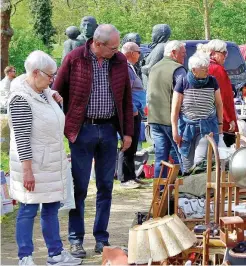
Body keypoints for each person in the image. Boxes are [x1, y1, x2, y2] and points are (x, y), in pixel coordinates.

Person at [53, 24, 133, 258]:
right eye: (113, 47)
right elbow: (56, 93)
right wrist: (64, 128)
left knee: (106, 186)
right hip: (82, 130)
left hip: (109, 130)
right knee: (79, 187)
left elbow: (127, 98)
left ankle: (102, 238)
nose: (117, 51)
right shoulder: (74, 58)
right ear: (97, 44)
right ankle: (76, 240)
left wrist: (127, 132)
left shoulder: (118, 61)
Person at [8, 51, 81, 266]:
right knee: (28, 209)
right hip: (32, 164)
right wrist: (27, 171)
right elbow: (21, 139)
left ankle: (55, 253)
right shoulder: (20, 99)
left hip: (50, 163)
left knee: (50, 209)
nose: (53, 79)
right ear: (36, 72)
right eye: (50, 75)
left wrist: (55, 100)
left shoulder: (44, 92)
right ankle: (25, 257)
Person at [171, 52, 223, 172]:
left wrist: (220, 124)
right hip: (186, 129)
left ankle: (200, 186)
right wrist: (175, 131)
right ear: (194, 70)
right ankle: (188, 189)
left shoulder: (212, 81)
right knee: (187, 165)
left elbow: (219, 104)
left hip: (207, 127)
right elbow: (175, 109)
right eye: (204, 69)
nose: (207, 71)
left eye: (207, 68)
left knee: (200, 163)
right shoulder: (183, 82)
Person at [147, 40, 186, 177]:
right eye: (182, 54)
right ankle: (185, 191)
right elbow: (184, 93)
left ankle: (160, 192)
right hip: (172, 121)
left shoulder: (154, 67)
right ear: (173, 53)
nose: (184, 57)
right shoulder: (178, 70)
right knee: (182, 157)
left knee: (160, 159)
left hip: (154, 119)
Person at [120, 42, 146, 189]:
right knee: (127, 144)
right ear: (130, 52)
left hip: (136, 111)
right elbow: (125, 91)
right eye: (137, 51)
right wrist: (132, 108)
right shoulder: (125, 67)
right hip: (130, 112)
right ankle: (124, 178)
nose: (139, 54)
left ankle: (132, 175)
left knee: (134, 144)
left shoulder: (130, 67)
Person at [206, 39, 238, 146]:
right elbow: (223, 97)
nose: (225, 56)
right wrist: (230, 119)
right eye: (223, 53)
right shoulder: (217, 70)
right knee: (226, 150)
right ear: (213, 53)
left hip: (208, 117)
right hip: (221, 119)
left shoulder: (203, 67)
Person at [141, 24, 172, 89]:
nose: (151, 35)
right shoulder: (164, 45)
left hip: (154, 88)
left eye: (153, 32)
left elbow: (151, 69)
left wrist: (139, 67)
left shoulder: (161, 47)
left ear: (160, 34)